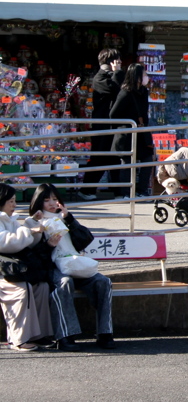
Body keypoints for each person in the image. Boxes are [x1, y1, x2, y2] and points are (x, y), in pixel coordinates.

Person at [30, 183, 114, 351]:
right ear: (38, 202)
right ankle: (66, 336)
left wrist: (69, 218)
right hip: (54, 268)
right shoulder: (33, 222)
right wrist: (48, 245)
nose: (52, 203)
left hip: (76, 265)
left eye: (55, 199)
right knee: (64, 283)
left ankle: (105, 333)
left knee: (103, 281)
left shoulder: (65, 218)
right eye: (47, 200)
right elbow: (34, 257)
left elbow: (86, 239)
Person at [0, 182, 53, 351]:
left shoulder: (10, 220)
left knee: (42, 287)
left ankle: (39, 334)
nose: (15, 205)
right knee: (22, 290)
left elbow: (26, 242)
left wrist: (32, 224)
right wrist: (30, 231)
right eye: (11, 201)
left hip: (12, 270)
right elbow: (7, 243)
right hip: (3, 273)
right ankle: (19, 339)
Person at [82, 48, 124, 199]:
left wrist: (117, 73)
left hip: (114, 123)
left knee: (114, 157)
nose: (119, 63)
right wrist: (116, 73)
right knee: (100, 157)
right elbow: (116, 90)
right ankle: (87, 189)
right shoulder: (99, 78)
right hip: (102, 123)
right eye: (116, 60)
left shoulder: (117, 75)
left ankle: (119, 191)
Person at [109, 63, 155, 197]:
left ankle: (142, 190)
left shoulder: (144, 92)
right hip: (127, 134)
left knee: (148, 160)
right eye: (144, 74)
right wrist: (129, 123)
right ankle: (126, 192)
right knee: (127, 164)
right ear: (137, 76)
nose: (147, 77)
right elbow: (113, 114)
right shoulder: (125, 92)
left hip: (141, 133)